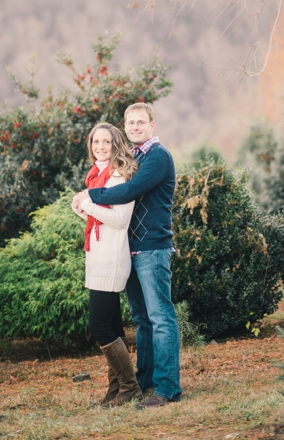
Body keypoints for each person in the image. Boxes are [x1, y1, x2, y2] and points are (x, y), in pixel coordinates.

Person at [76, 102, 181, 409]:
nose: (135, 127)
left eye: (140, 122)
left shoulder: (158, 156)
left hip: (152, 246)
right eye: (130, 123)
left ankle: (168, 388)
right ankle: (145, 381)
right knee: (142, 320)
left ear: (152, 125)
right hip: (131, 248)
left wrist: (90, 196)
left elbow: (129, 191)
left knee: (160, 318)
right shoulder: (134, 156)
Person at [71, 123, 141, 407]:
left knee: (99, 326)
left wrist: (87, 204)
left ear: (116, 144)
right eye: (95, 141)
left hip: (111, 259)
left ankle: (130, 387)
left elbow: (120, 221)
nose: (100, 146)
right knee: (112, 325)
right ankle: (116, 390)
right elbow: (100, 220)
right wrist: (82, 208)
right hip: (98, 256)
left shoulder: (119, 175)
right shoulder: (97, 175)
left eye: (106, 142)